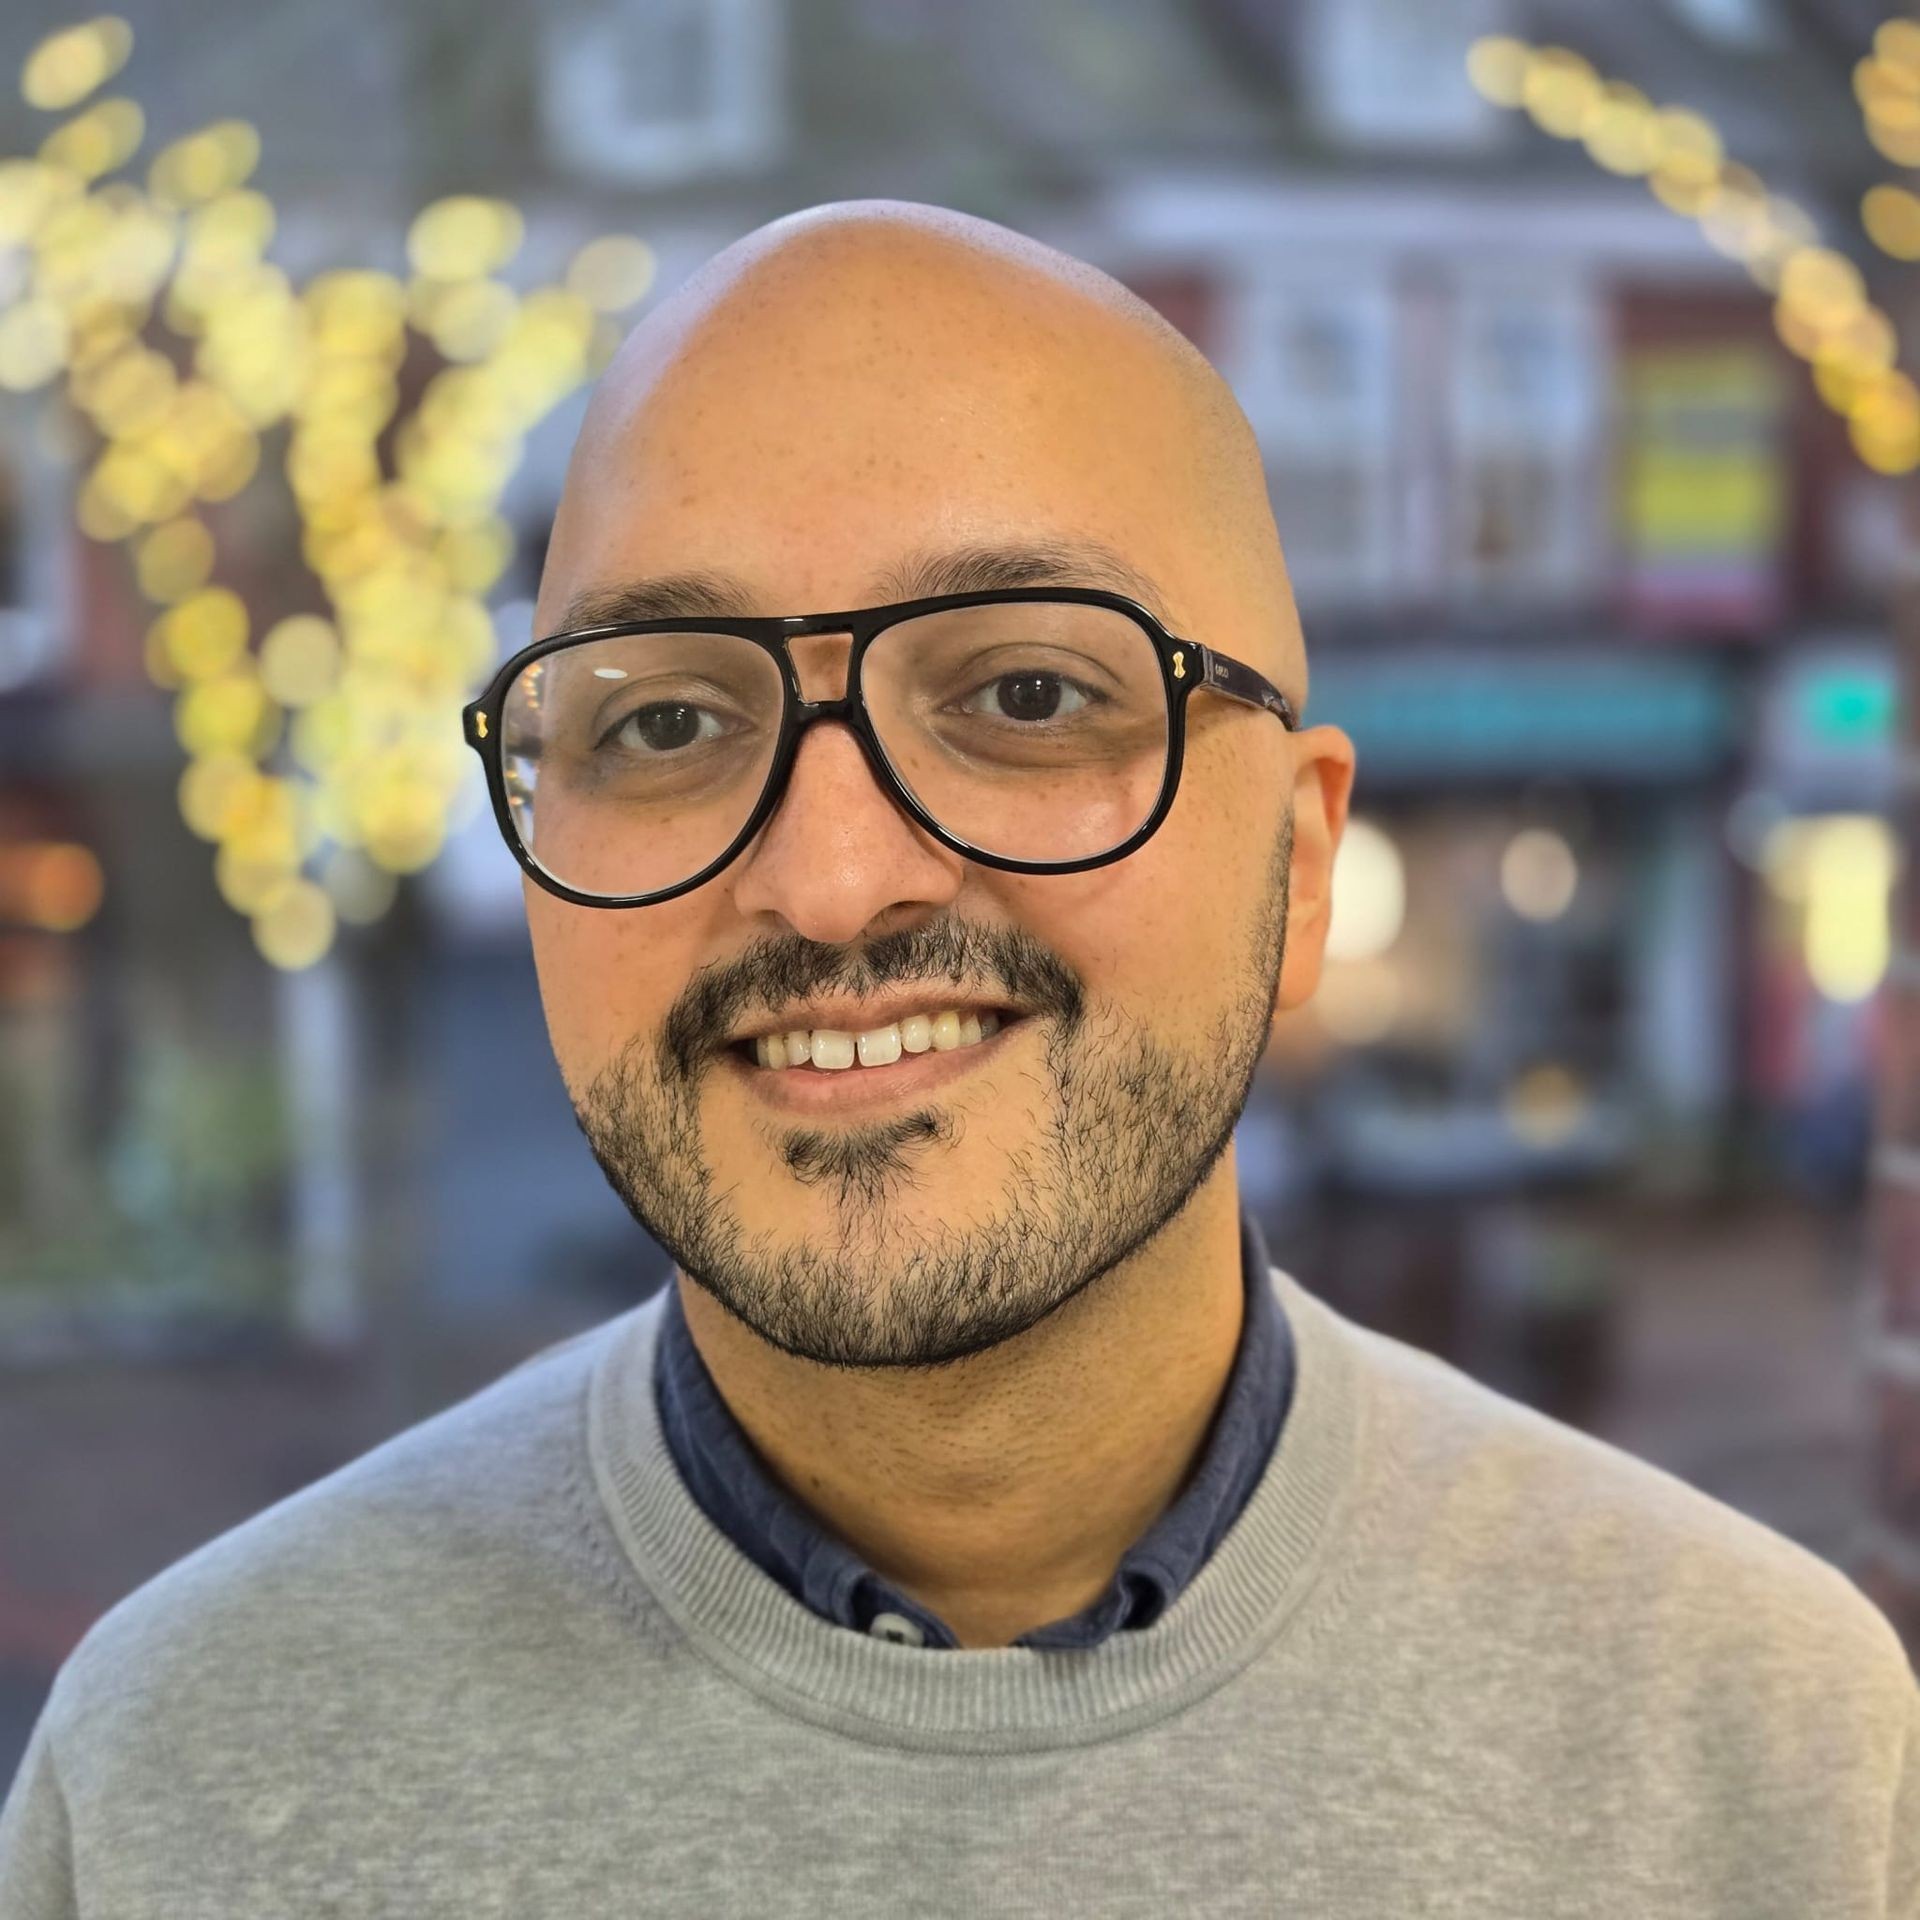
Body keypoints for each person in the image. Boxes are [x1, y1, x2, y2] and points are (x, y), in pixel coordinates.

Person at [2, 199, 1914, 1917]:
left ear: (1303, 858)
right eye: (666, 721)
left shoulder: (1760, 1758)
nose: (831, 883)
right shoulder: (186, 1783)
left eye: (1025, 694)